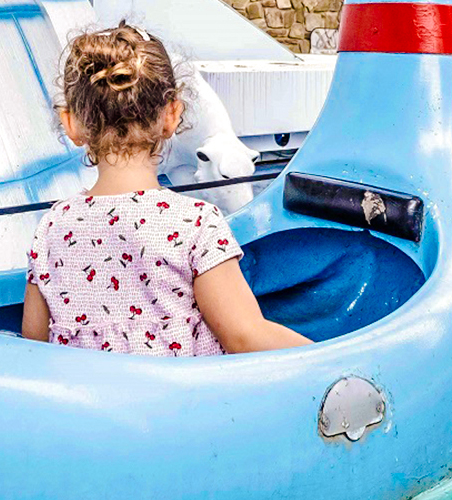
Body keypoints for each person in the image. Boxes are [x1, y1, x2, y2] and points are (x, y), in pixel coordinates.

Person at [21, 23, 310, 355]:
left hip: (88, 390)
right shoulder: (195, 224)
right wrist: (331, 357)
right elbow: (245, 336)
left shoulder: (52, 227)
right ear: (172, 114)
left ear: (71, 124)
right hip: (179, 391)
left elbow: (34, 346)